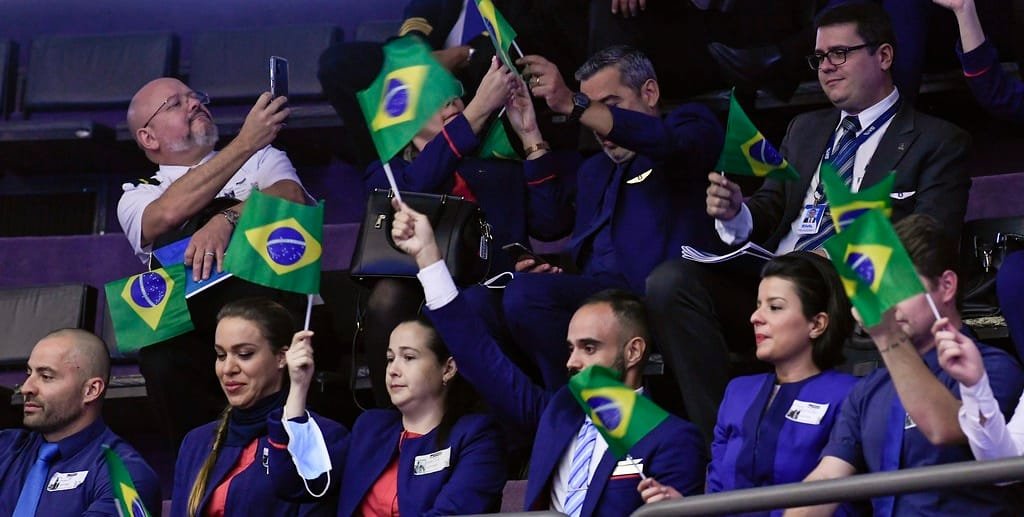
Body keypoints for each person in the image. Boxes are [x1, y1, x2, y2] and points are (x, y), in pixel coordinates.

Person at [646, 1, 972, 445]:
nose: (826, 67)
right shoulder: (805, 128)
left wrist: (839, 251)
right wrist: (735, 212)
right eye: (819, 57)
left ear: (884, 56)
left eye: (840, 54)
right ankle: (721, 440)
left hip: (843, 291)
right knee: (670, 282)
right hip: (771, 279)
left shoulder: (938, 140)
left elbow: (932, 237)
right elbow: (773, 208)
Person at [390, 199, 707, 516]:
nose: (572, 362)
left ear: (634, 351)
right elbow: (481, 358)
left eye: (590, 347)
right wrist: (428, 255)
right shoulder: (558, 415)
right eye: (570, 348)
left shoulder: (671, 438)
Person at [502, 44, 724, 389]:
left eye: (609, 106)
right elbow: (551, 225)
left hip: (659, 297)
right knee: (514, 295)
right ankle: (579, 411)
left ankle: (580, 411)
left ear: (649, 92)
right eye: (590, 108)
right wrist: (531, 134)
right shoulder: (594, 170)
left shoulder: (687, 127)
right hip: (598, 298)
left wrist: (574, 104)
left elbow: (672, 144)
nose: (596, 123)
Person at [360, 59, 573, 407]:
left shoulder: (495, 169)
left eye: (455, 97)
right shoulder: (388, 172)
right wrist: (476, 112)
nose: (452, 104)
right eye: (436, 100)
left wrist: (531, 135)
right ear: (406, 125)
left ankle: (553, 421)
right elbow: (406, 196)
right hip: (427, 303)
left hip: (501, 299)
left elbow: (552, 223)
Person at [785, 214, 1024, 516]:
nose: (887, 303)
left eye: (899, 286)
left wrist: (887, 336)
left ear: (947, 286)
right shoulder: (869, 390)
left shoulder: (993, 370)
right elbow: (826, 480)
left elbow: (944, 430)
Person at [119, 77, 310, 447]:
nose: (193, 104)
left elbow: (292, 197)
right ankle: (201, 467)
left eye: (195, 98)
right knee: (158, 357)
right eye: (175, 104)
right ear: (148, 138)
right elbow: (165, 215)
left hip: (269, 307)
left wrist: (227, 220)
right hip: (196, 330)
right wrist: (245, 141)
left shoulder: (263, 158)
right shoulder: (139, 193)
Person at [638, 252, 859, 516]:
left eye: (774, 307)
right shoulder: (738, 392)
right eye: (758, 305)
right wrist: (683, 506)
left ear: (817, 324)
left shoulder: (851, 394)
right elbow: (717, 497)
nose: (755, 317)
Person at [270, 318, 508, 516]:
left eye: (409, 357)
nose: (393, 369)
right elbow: (298, 486)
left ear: (448, 369)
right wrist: (299, 387)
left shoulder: (477, 436)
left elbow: (452, 513)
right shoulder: (371, 427)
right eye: (390, 358)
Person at [171, 298, 348, 517]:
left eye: (244, 354)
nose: (228, 369)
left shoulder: (325, 437)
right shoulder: (196, 442)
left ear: (282, 357)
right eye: (221, 355)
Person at [0, 329, 160, 515]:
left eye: (46, 377)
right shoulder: (6, 447)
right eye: (29, 373)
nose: (26, 387)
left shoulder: (127, 476)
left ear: (91, 390)